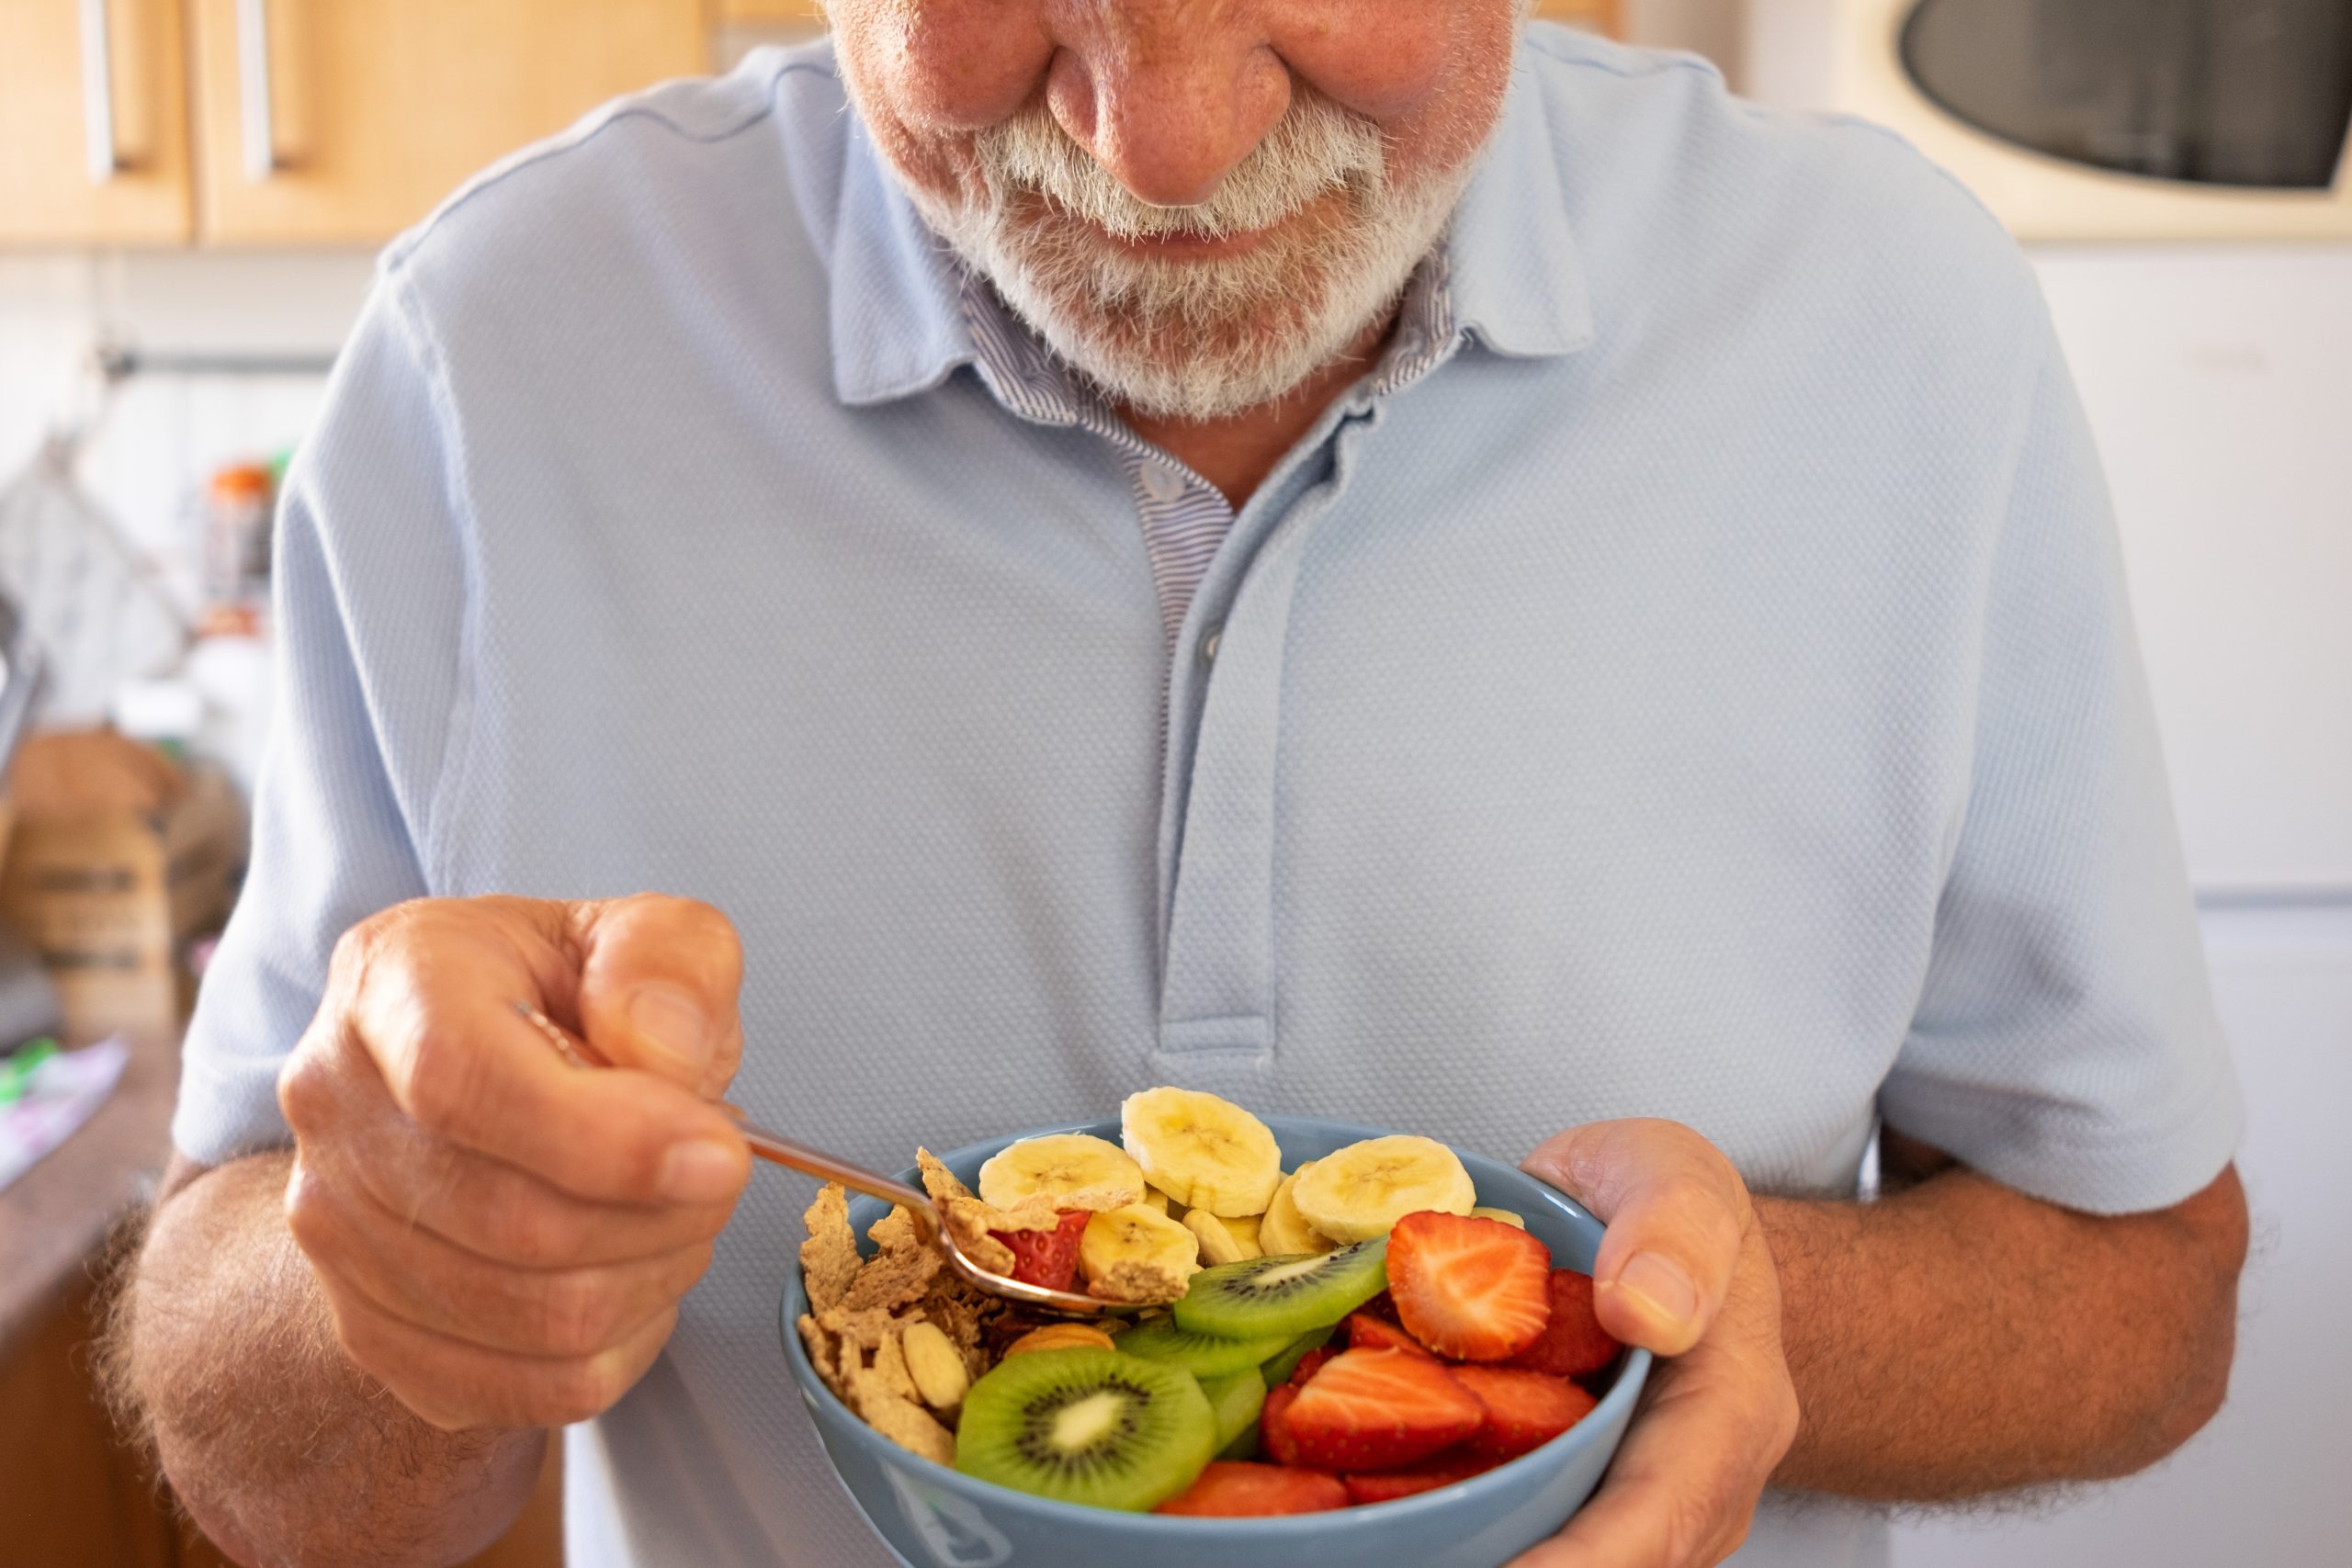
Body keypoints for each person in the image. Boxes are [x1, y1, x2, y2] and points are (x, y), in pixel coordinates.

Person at [107, 6, 2249, 1566]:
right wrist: (390, 1272)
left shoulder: (1890, 322)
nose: (1160, 147)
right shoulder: (494, 360)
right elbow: (251, 1437)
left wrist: (1756, 1311)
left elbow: (2146, 1292)